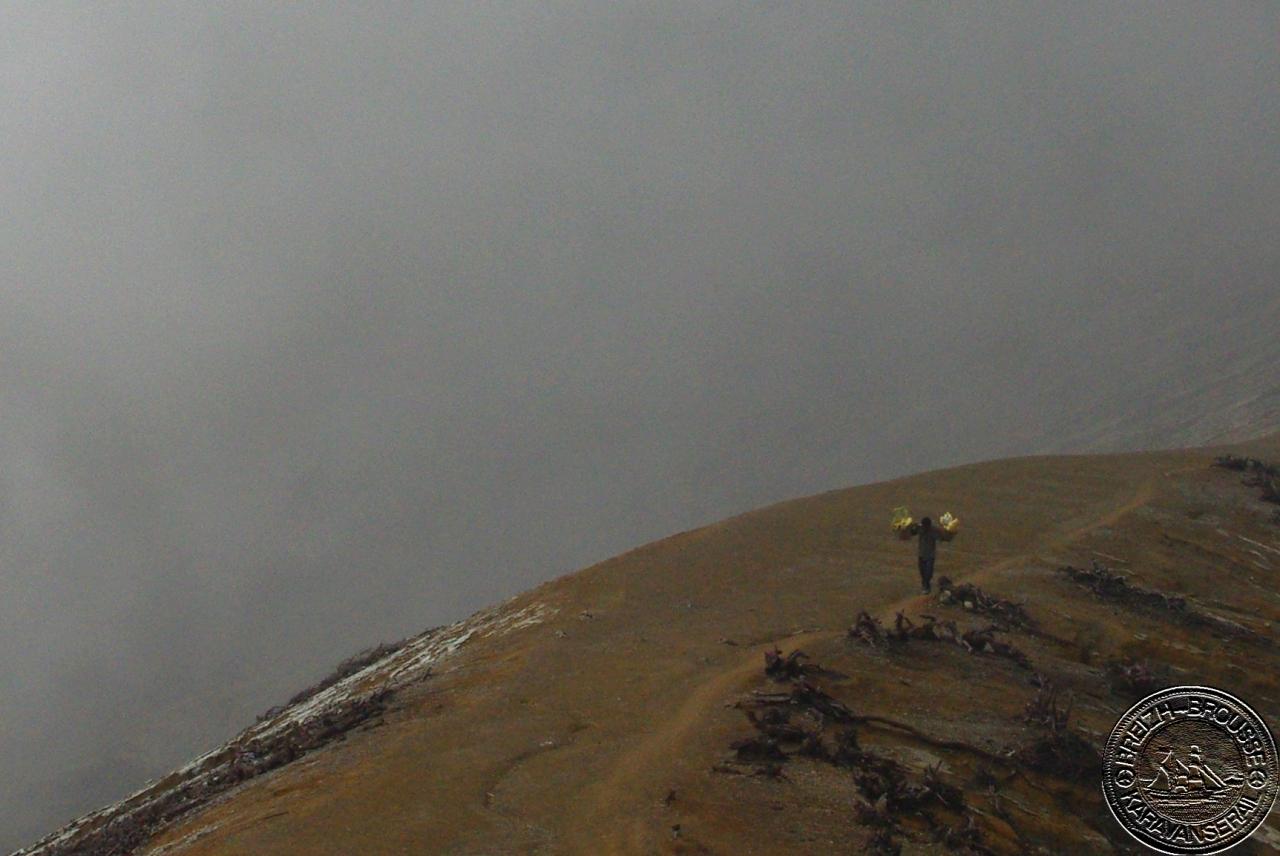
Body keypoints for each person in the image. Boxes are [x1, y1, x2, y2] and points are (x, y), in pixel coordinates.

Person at [908, 516, 948, 594]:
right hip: (922, 554)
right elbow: (912, 532)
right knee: (923, 572)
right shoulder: (920, 528)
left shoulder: (933, 530)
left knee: (928, 573)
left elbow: (941, 537)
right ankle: (925, 585)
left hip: (930, 555)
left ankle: (926, 586)